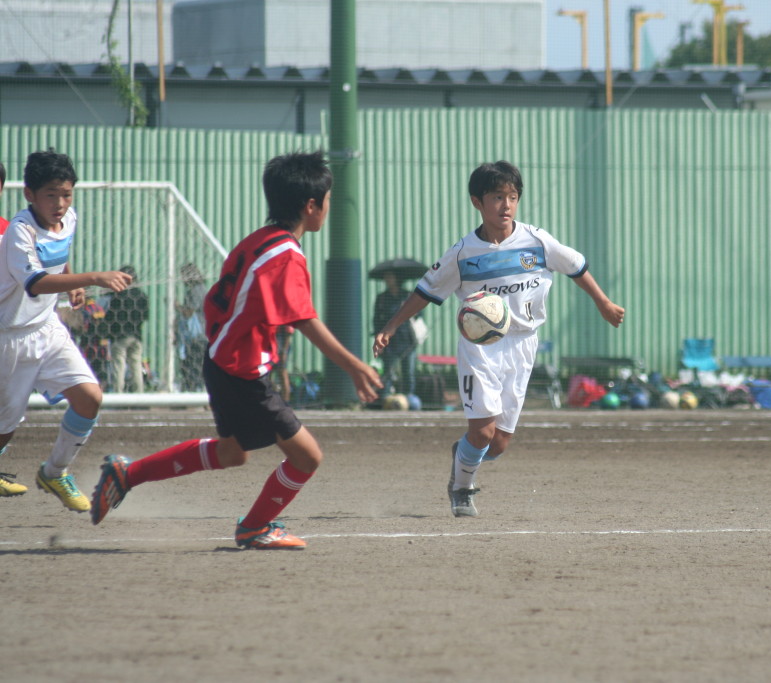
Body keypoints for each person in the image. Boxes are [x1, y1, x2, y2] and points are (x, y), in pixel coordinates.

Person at [91, 151, 382, 549]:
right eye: (327, 200)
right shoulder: (287, 256)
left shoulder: (257, 242)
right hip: (242, 374)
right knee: (307, 457)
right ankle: (254, 527)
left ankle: (128, 474)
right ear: (311, 206)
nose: (328, 208)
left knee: (232, 453)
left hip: (224, 362)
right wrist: (354, 366)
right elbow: (303, 320)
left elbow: (217, 301)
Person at [373, 160, 625, 518]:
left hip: (523, 346)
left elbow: (576, 267)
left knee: (498, 443)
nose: (506, 205)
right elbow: (425, 292)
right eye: (496, 197)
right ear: (477, 202)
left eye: (512, 196)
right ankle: (462, 489)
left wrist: (603, 302)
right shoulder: (462, 254)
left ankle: (463, 454)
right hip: (480, 349)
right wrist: (391, 325)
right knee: (482, 431)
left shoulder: (537, 241)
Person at [0, 149, 132, 505]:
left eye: (67, 194)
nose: (60, 203)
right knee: (4, 429)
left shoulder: (68, 218)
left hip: (46, 328)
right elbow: (37, 282)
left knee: (90, 398)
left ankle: (54, 472)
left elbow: (58, 256)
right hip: (9, 338)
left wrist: (74, 282)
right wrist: (94, 277)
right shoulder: (19, 231)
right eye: (51, 195)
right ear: (29, 194)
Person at [372, 269, 421, 398]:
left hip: (407, 340)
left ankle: (409, 398)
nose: (388, 280)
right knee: (388, 371)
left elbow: (419, 314)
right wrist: (378, 338)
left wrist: (412, 311)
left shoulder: (408, 296)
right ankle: (386, 397)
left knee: (408, 372)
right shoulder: (382, 298)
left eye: (390, 277)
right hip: (389, 342)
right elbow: (376, 319)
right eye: (386, 277)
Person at [106, 265, 150, 393]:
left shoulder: (118, 296)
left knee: (119, 366)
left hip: (120, 336)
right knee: (136, 365)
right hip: (136, 336)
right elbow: (145, 316)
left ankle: (118, 395)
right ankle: (139, 394)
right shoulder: (142, 295)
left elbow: (110, 317)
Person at [176, 262, 207, 391]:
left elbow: (189, 312)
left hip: (198, 336)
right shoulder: (202, 289)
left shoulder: (196, 291)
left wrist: (176, 306)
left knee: (193, 367)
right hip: (202, 335)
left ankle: (194, 392)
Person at [274, 324, 294, 403]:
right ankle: (274, 399)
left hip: (281, 340)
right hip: (271, 339)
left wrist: (284, 351)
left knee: (282, 371)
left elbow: (288, 332)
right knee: (268, 373)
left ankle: (286, 401)